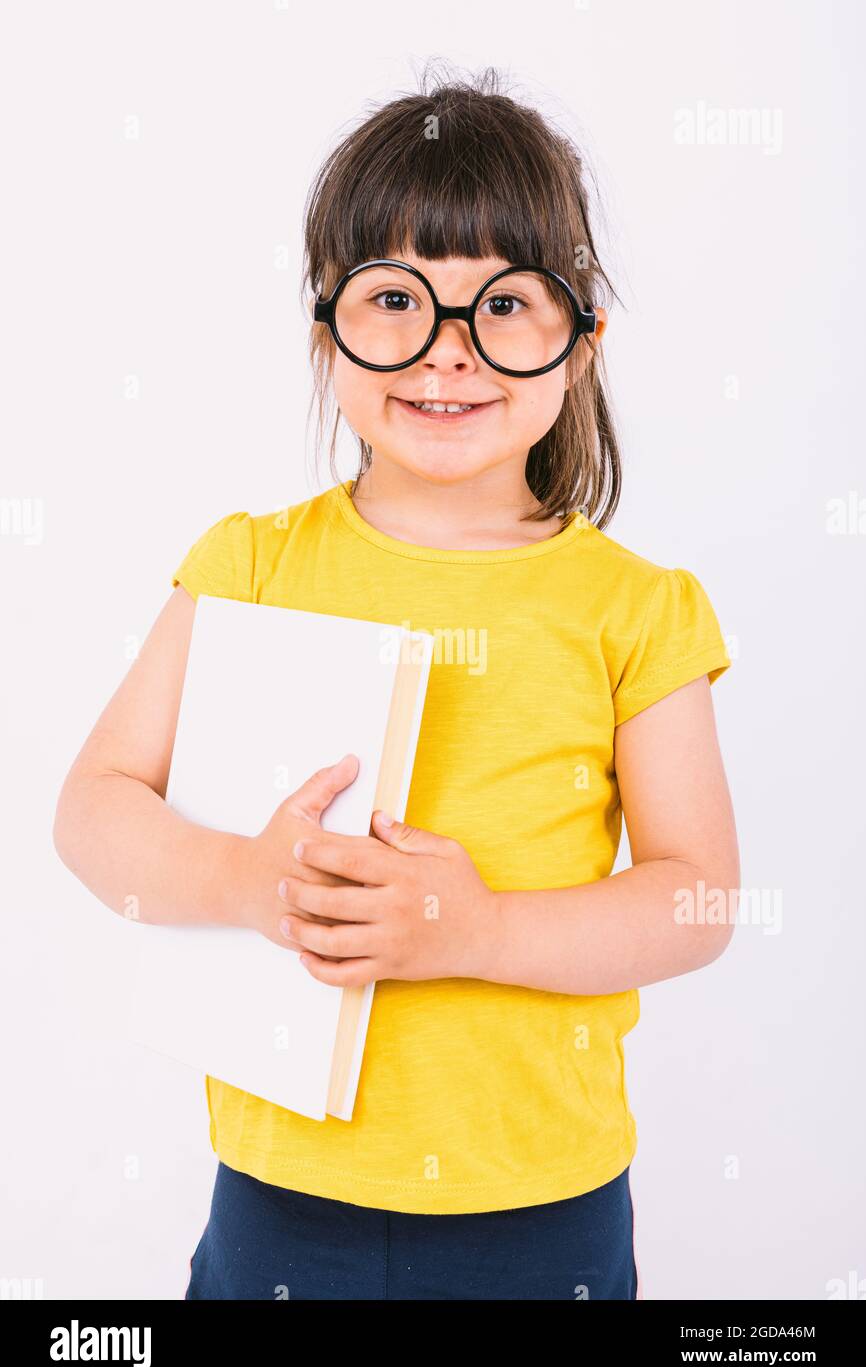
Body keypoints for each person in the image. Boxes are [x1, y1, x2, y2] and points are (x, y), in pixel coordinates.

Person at [53, 67, 739, 1301]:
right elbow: (94, 806)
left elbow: (696, 900)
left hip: (540, 1207)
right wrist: (237, 877)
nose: (447, 354)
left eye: (505, 305)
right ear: (327, 331)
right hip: (279, 1190)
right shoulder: (251, 564)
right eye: (393, 300)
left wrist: (475, 932)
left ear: (578, 343)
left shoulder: (636, 607)